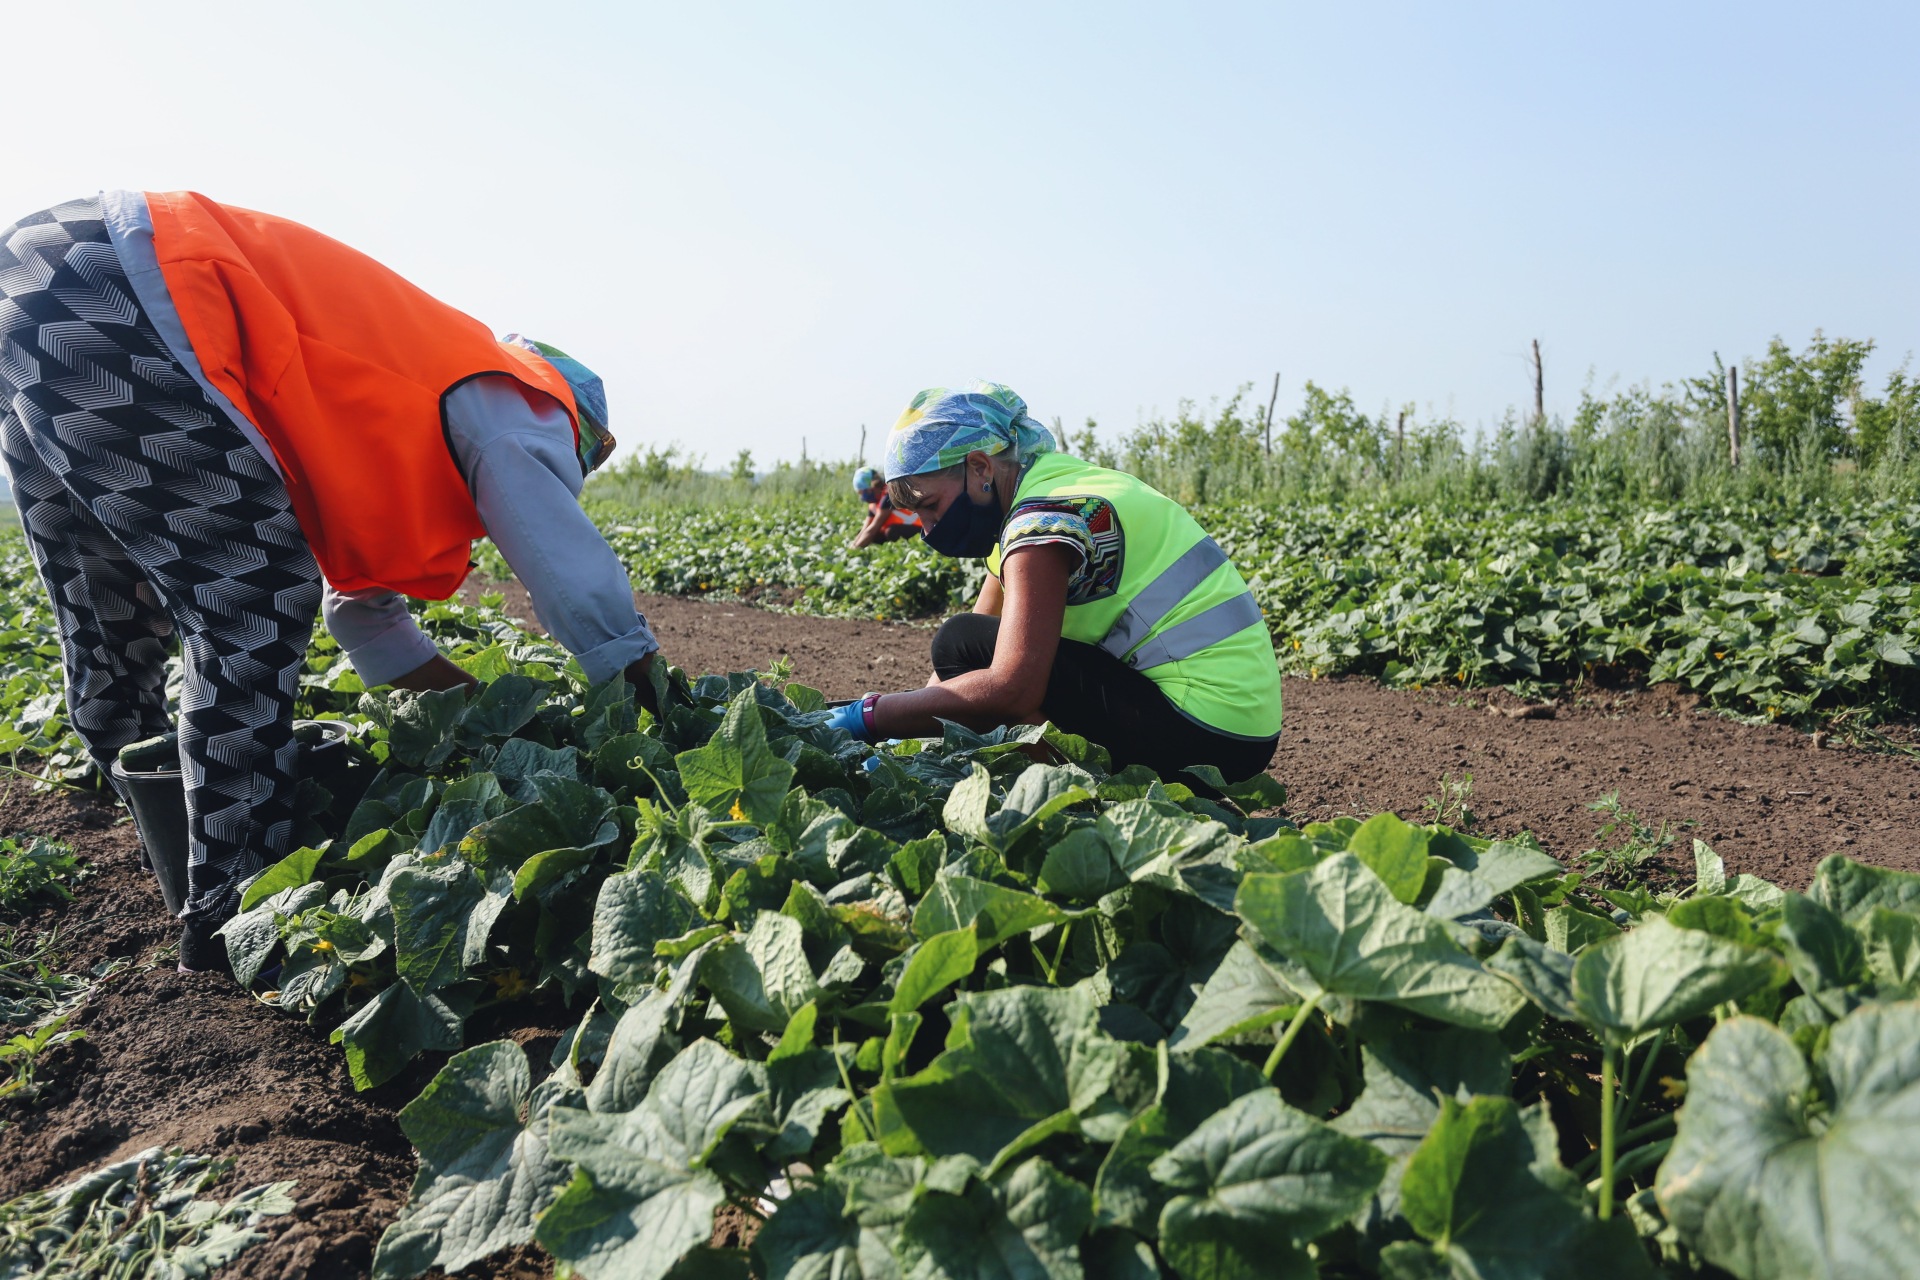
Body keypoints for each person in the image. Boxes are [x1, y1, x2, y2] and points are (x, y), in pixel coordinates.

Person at [0, 193, 664, 973]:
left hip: (39, 278)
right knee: (249, 602)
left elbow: (366, 624)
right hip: (130, 275)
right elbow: (576, 579)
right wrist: (654, 709)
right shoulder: (516, 399)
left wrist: (496, 727)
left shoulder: (393, 419)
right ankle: (230, 908)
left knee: (109, 612)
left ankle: (165, 837)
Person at [826, 383, 1282, 783]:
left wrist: (869, 716)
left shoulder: (1040, 522)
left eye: (930, 506)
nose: (926, 530)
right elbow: (957, 667)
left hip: (1205, 732)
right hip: (1241, 727)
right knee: (966, 644)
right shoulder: (1048, 485)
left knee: (962, 643)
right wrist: (906, 742)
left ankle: (1081, 789)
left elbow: (1011, 688)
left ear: (980, 467)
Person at [848, 464, 921, 548]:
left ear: (871, 489)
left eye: (863, 493)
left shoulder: (889, 496)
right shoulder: (874, 504)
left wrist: (855, 549)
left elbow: (873, 528)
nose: (863, 497)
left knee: (891, 531)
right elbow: (865, 529)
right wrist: (853, 545)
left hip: (918, 529)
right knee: (864, 534)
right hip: (901, 529)